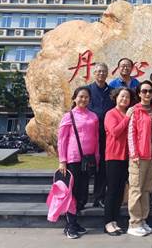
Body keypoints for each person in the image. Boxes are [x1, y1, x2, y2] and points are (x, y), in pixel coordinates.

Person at [57, 86, 99, 239]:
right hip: (73, 159)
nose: (83, 99)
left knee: (83, 193)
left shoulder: (93, 116)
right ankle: (70, 225)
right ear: (74, 98)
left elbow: (96, 138)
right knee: (72, 193)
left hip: (88, 160)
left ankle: (75, 222)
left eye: (86, 97)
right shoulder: (68, 116)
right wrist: (62, 160)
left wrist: (97, 157)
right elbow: (62, 139)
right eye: (80, 96)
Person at [126, 80, 152, 237]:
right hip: (139, 154)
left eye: (150, 91)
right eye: (144, 91)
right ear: (139, 93)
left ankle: (143, 219)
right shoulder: (135, 111)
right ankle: (134, 222)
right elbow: (131, 134)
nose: (147, 94)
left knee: (147, 188)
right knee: (136, 188)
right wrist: (134, 154)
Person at [103, 87, 134, 236]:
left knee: (121, 190)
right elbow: (115, 132)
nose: (124, 99)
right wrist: (127, 118)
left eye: (127, 97)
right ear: (116, 97)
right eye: (122, 96)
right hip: (114, 156)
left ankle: (115, 220)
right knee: (112, 191)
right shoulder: (111, 113)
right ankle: (108, 222)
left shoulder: (128, 113)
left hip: (126, 157)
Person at [86, 63, 115, 209]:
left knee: (103, 167)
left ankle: (99, 197)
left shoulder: (112, 92)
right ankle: (81, 198)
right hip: (90, 135)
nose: (101, 74)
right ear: (94, 73)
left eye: (104, 71)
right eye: (98, 71)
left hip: (107, 135)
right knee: (86, 166)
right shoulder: (87, 90)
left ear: (107, 73)